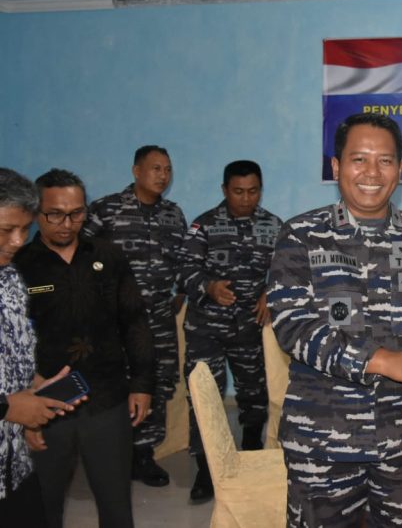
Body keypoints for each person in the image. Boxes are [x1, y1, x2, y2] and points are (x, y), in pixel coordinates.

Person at [267, 112, 402, 527]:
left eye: (385, 160)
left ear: (401, 168)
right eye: (359, 159)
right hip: (323, 444)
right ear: (336, 166)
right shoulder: (302, 235)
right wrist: (381, 361)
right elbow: (294, 326)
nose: (372, 173)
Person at [15, 169, 154, 528]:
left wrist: (141, 383)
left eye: (77, 213)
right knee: (43, 504)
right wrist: (22, 410)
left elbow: (134, 321)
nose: (67, 224)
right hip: (45, 401)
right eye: (55, 214)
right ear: (37, 212)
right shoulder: (19, 265)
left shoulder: (108, 255)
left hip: (107, 396)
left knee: (116, 504)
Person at [179, 160, 283, 502]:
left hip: (250, 327)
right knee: (204, 395)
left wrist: (270, 292)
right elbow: (185, 270)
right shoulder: (204, 225)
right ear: (225, 190)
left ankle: (250, 450)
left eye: (253, 191)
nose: (246, 198)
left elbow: (287, 271)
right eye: (238, 192)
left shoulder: (273, 226)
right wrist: (208, 287)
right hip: (206, 327)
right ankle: (205, 468)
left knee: (254, 393)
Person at [84, 145, 186, 486]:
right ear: (136, 171)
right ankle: (117, 453)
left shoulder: (174, 214)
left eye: (167, 169)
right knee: (117, 383)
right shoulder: (106, 210)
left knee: (157, 382)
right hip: (116, 320)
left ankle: (143, 455)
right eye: (156, 168)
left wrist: (179, 292)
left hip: (158, 318)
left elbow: (184, 260)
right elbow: (78, 256)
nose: (163, 175)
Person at [0, 168, 80, 524]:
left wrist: (36, 391)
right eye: (7, 230)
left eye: (25, 229)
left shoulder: (10, 280)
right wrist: (8, 407)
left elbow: (14, 355)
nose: (18, 241)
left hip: (13, 463)